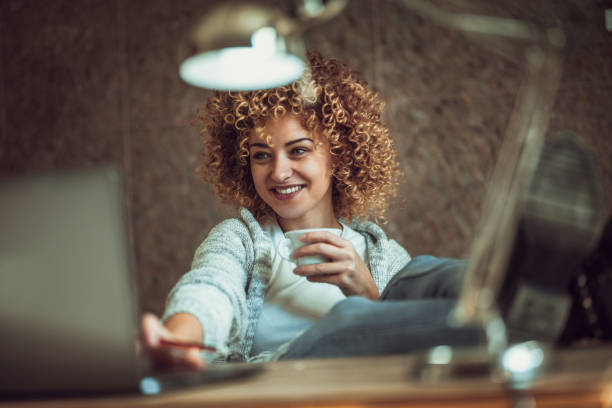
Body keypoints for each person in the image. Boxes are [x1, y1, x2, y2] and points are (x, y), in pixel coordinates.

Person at [140, 51, 610, 369]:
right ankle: (563, 313)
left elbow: (412, 333)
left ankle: (556, 283)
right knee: (350, 320)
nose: (279, 171)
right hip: (277, 383)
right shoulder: (239, 239)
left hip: (370, 390)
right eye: (262, 155)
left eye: (298, 150)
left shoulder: (382, 253)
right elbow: (210, 288)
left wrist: (367, 287)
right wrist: (180, 338)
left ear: (338, 152)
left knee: (423, 275)